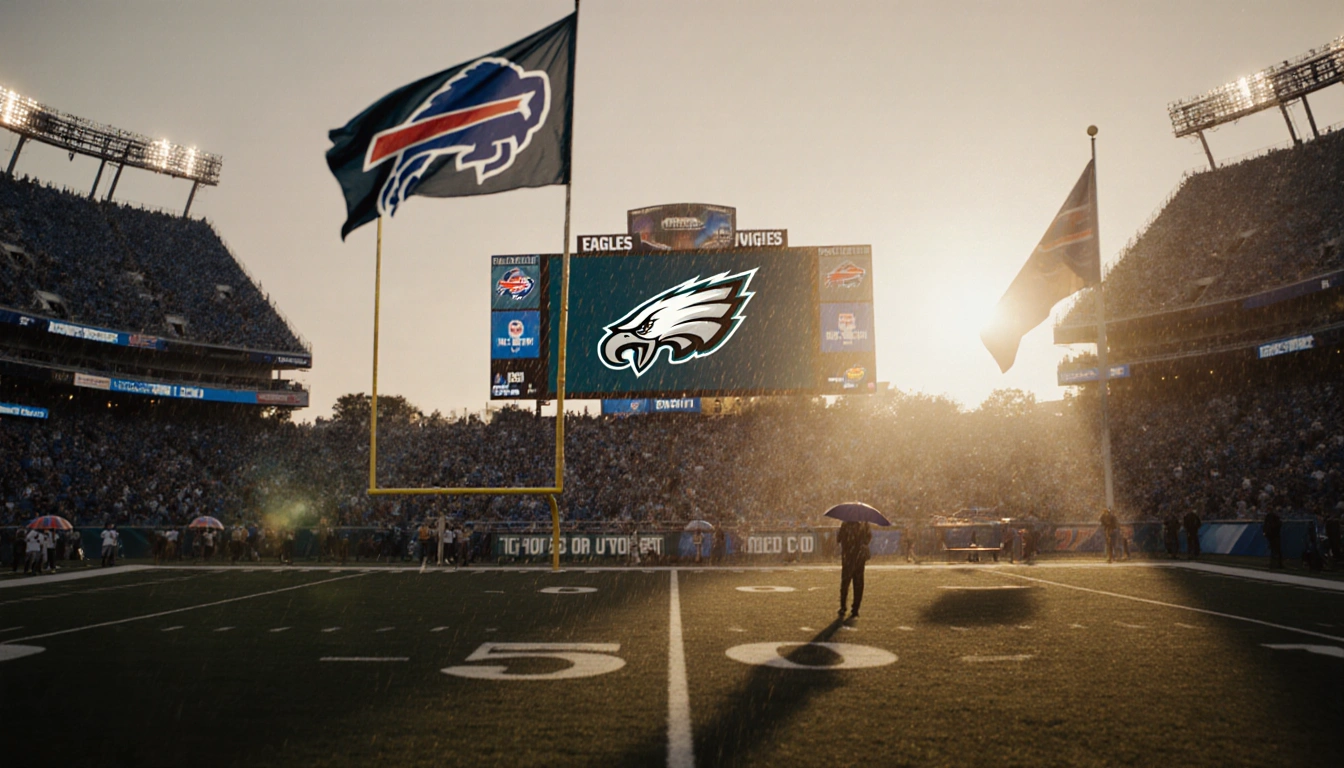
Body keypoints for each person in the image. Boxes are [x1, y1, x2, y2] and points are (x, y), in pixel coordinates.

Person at [837, 520, 871, 619]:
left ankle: (843, 607)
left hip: (847, 558)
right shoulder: (865, 524)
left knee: (845, 584)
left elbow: (839, 539)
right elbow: (868, 539)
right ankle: (855, 609)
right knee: (858, 585)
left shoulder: (845, 524)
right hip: (859, 559)